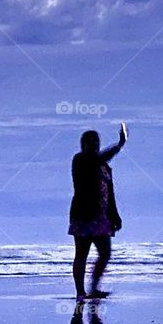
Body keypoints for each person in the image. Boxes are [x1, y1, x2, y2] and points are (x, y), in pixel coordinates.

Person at [68, 122, 127, 300]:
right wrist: (119, 145)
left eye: (96, 141)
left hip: (101, 217)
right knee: (81, 255)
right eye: (90, 142)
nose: (94, 144)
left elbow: (110, 193)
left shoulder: (104, 166)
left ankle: (94, 287)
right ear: (83, 144)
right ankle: (80, 292)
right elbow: (97, 158)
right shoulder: (80, 160)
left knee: (105, 254)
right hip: (83, 216)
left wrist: (115, 216)